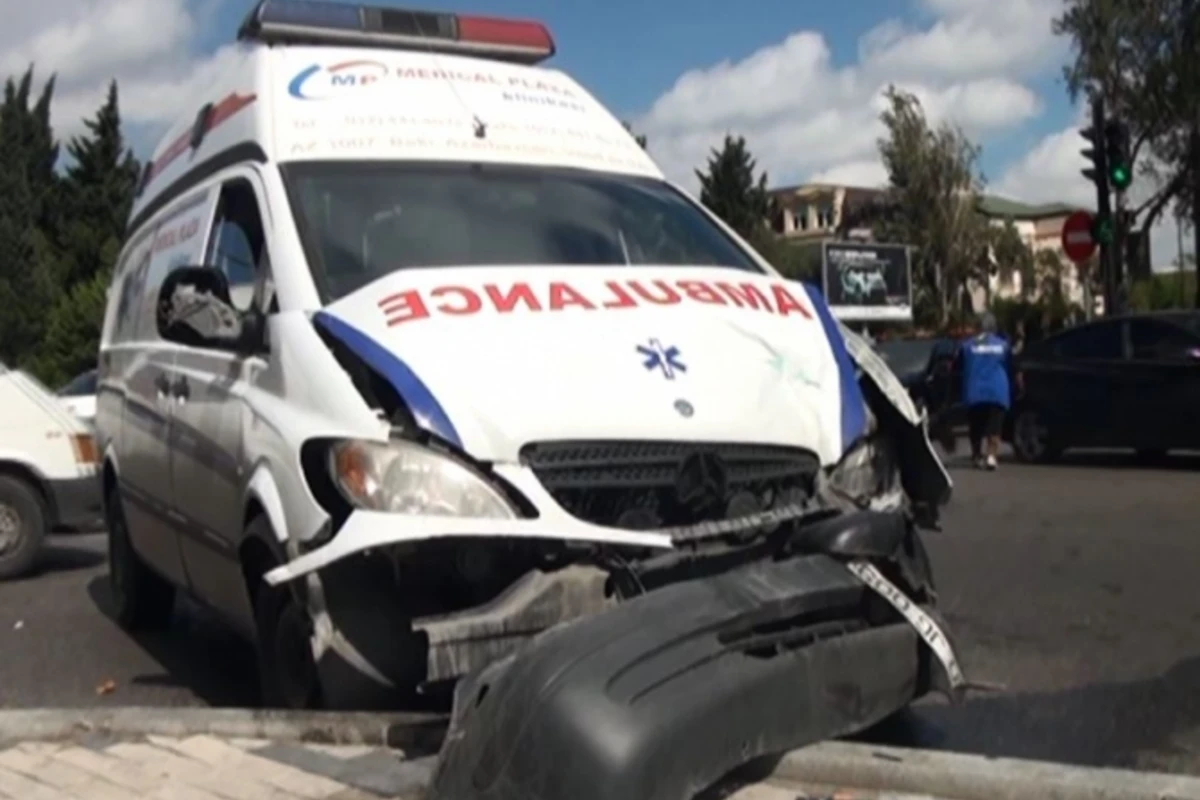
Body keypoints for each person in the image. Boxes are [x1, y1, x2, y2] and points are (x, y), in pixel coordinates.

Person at [957, 312, 1013, 470]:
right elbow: (1011, 366)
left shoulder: (967, 345)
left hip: (975, 391)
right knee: (995, 426)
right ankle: (991, 456)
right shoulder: (1003, 345)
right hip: (997, 391)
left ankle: (976, 456)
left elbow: (958, 367)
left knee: (976, 426)